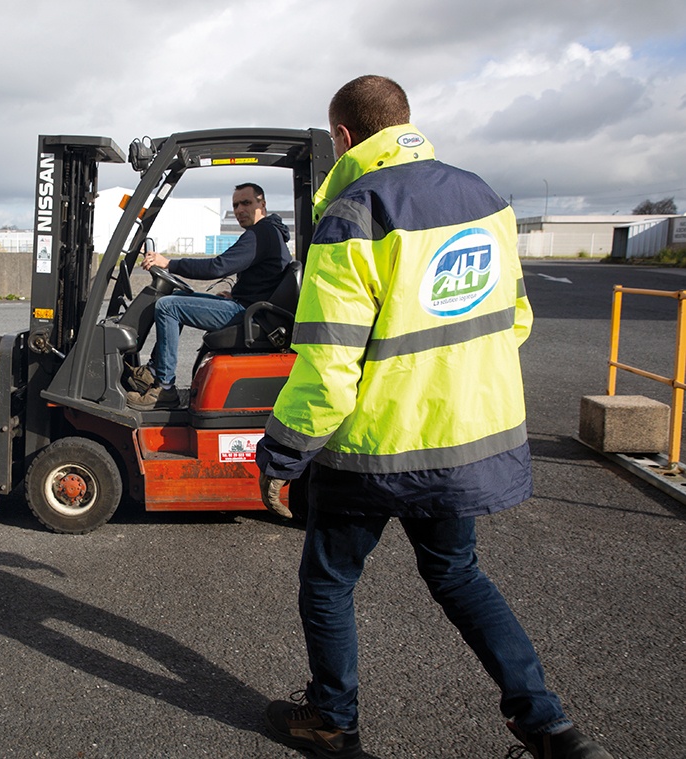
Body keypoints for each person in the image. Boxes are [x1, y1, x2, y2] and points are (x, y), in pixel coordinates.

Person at [255, 76, 612, 759]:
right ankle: (549, 726)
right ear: (405, 123)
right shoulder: (486, 199)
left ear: (343, 137)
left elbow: (330, 365)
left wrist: (281, 455)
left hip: (373, 449)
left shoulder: (354, 212)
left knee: (329, 581)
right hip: (462, 440)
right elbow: (517, 321)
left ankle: (333, 719)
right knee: (458, 575)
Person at [126, 182, 292, 410]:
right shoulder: (270, 233)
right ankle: (154, 372)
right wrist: (234, 293)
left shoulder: (261, 233)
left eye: (246, 203)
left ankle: (164, 387)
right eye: (235, 205)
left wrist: (169, 263)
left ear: (261, 204)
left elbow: (217, 267)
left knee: (168, 306)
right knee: (177, 296)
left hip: (249, 314)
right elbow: (263, 277)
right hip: (249, 307)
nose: (240, 209)